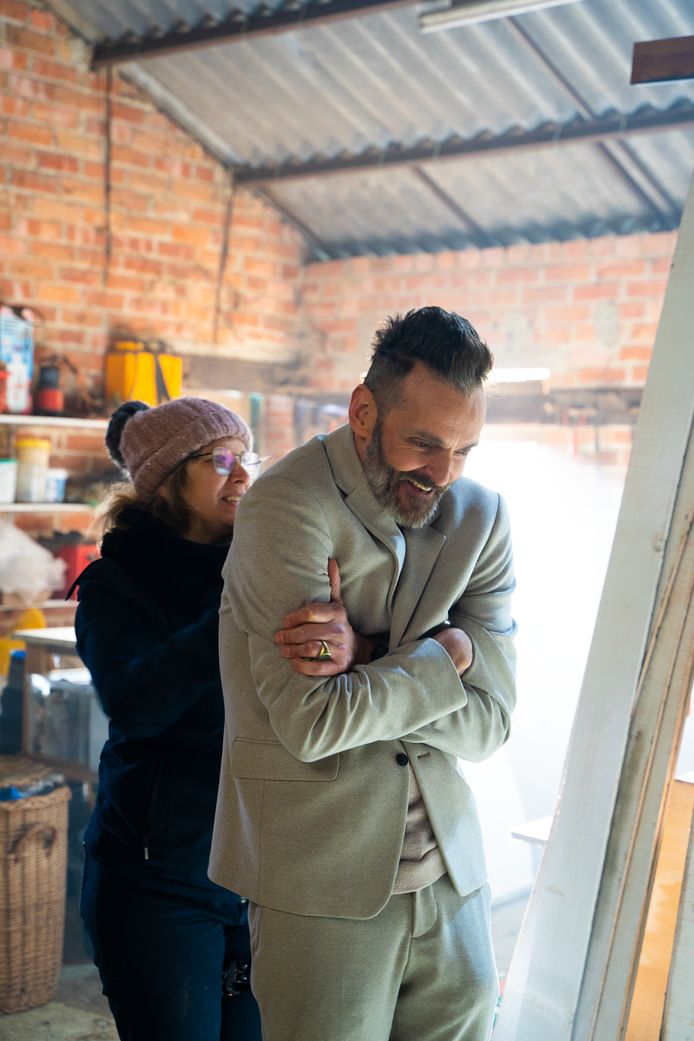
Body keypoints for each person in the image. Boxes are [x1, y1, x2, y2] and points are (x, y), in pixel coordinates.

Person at [210, 306, 517, 1041]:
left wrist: (371, 661)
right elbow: (316, 723)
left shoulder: (482, 515)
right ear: (362, 411)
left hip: (452, 882)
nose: (445, 473)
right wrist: (442, 658)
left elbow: (491, 723)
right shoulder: (285, 505)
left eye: (465, 449)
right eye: (425, 443)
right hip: (318, 878)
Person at [74, 397, 357, 1041]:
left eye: (246, 456)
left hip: (258, 871)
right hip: (159, 880)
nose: (242, 474)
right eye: (220, 459)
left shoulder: (261, 567)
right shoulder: (116, 583)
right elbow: (134, 703)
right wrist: (236, 612)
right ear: (169, 479)